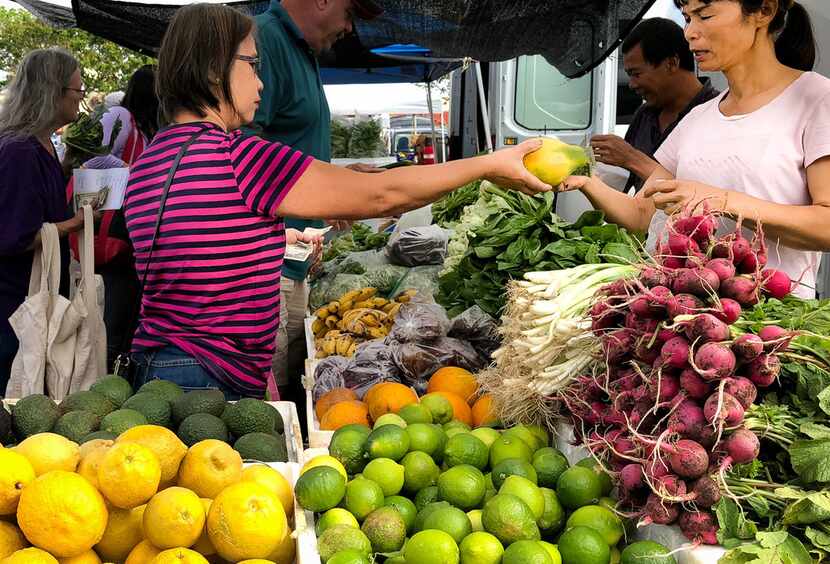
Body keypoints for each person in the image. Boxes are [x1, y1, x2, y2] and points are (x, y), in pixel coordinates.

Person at [123, 2, 549, 399]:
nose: (261, 82)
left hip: (157, 365)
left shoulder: (148, 163)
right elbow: (384, 195)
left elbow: (204, 241)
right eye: (252, 65)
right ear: (215, 69)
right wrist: (489, 165)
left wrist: (299, 220)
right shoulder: (239, 157)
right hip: (208, 376)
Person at [564, 0, 829, 298]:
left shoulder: (817, 100)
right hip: (687, 320)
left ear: (763, 11)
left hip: (770, 327)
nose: (690, 32)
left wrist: (720, 200)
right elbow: (641, 213)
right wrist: (584, 181)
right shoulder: (699, 117)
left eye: (705, 15)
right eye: (688, 18)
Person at [247, 0, 383, 404]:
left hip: (296, 258)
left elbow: (290, 152)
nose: (349, 28)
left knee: (289, 384)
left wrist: (338, 177)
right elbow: (244, 153)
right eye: (349, 12)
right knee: (267, 401)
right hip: (268, 261)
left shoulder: (303, 50)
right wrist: (330, 191)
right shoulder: (267, 41)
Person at [0, 48, 87, 394]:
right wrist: (77, 223)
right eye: (76, 91)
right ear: (52, 92)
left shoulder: (42, 145)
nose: (80, 98)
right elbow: (14, 237)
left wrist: (67, 168)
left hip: (32, 301)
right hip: (15, 308)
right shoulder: (19, 150)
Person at [590, 17, 719, 193]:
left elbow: (705, 196)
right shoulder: (645, 115)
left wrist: (631, 158)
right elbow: (625, 185)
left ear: (672, 63)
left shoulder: (718, 114)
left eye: (636, 74)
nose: (631, 84)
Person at [93, 65, 160, 370]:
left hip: (132, 235)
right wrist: (134, 173)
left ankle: (115, 366)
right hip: (113, 222)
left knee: (124, 313)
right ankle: (101, 369)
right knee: (112, 306)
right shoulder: (120, 118)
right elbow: (92, 154)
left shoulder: (147, 129)